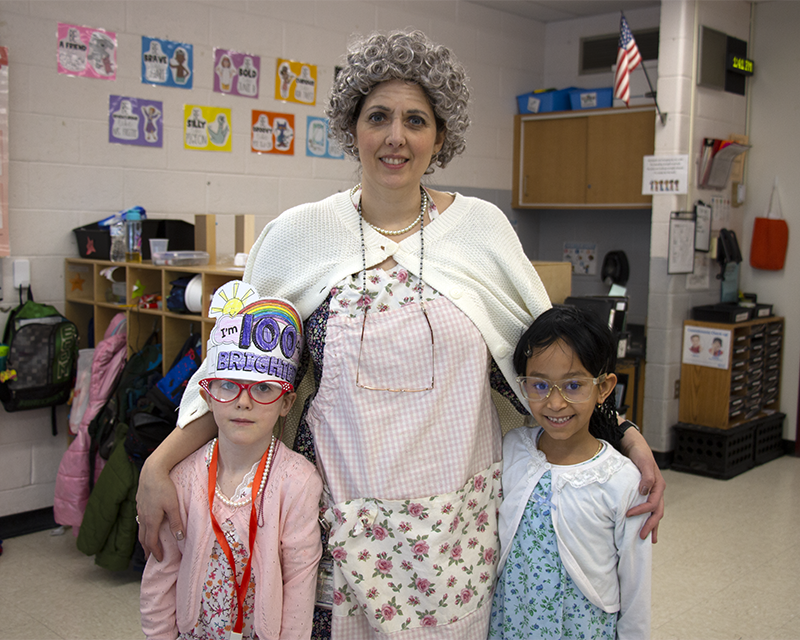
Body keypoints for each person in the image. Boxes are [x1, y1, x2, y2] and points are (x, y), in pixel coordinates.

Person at [137, 30, 664, 639]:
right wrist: (159, 463)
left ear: (440, 136)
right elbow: (238, 380)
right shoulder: (297, 235)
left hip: (457, 533)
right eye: (378, 116)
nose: (396, 136)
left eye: (416, 120)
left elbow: (553, 366)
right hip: (337, 530)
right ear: (351, 127)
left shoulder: (480, 230)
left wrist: (622, 435)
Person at [140, 283, 322, 640]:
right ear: (207, 395)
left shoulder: (298, 482)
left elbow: (300, 584)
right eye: (229, 385)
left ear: (286, 403)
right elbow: (160, 579)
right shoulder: (182, 479)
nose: (244, 402)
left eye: (264, 388)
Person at [490, 306, 651, 639]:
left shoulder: (622, 480)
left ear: (604, 388)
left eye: (574, 385)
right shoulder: (513, 449)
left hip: (583, 627)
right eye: (539, 385)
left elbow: (637, 583)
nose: (555, 403)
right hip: (512, 621)